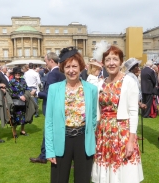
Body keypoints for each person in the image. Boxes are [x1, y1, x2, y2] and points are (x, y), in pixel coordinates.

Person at [91, 44, 143, 183]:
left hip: (122, 133)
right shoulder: (100, 84)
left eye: (115, 59)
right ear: (103, 63)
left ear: (121, 62)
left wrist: (131, 141)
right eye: (108, 59)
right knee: (106, 172)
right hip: (103, 133)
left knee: (123, 174)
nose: (111, 63)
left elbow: (133, 112)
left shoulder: (128, 81)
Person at [45, 47, 97, 183]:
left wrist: (92, 140)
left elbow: (93, 118)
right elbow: (49, 121)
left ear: (81, 67)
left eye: (74, 66)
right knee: (59, 179)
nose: (71, 70)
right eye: (67, 66)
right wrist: (49, 150)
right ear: (62, 68)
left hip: (83, 141)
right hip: (61, 140)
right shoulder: (54, 89)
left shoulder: (92, 89)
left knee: (83, 180)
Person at [30, 52, 66, 164]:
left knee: (49, 132)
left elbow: (50, 93)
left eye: (46, 61)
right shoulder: (61, 72)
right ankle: (46, 155)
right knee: (56, 132)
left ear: (51, 61)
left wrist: (36, 94)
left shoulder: (52, 74)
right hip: (60, 106)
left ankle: (44, 156)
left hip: (52, 107)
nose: (45, 64)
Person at [9, 67, 35, 137]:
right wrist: (19, 96)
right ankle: (14, 132)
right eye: (16, 73)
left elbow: (26, 88)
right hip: (15, 102)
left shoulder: (23, 80)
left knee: (23, 116)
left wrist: (32, 90)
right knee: (15, 117)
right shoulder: (11, 82)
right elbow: (10, 93)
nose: (17, 74)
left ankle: (22, 130)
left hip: (23, 101)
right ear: (14, 74)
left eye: (19, 73)